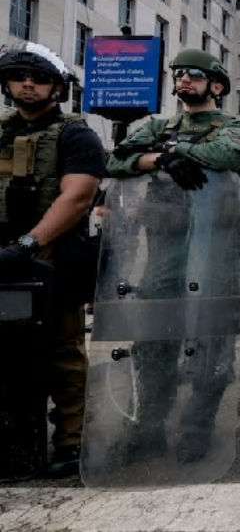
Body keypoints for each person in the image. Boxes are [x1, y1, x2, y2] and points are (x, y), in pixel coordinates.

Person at [105, 48, 240, 464]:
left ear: (216, 85)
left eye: (194, 74)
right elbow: (115, 160)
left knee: (209, 338)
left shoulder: (231, 126)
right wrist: (159, 158)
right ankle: (148, 428)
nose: (184, 80)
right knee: (153, 336)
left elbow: (229, 155)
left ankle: (196, 428)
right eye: (178, 74)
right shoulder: (157, 125)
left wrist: (170, 154)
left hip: (214, 242)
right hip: (165, 241)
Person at [0, 44, 103, 478]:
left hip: (54, 258)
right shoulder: (2, 133)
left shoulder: (74, 134)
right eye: (20, 76)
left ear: (57, 87)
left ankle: (71, 442)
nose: (28, 84)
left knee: (63, 353)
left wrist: (27, 244)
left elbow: (77, 196)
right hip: (5, 259)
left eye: (38, 78)